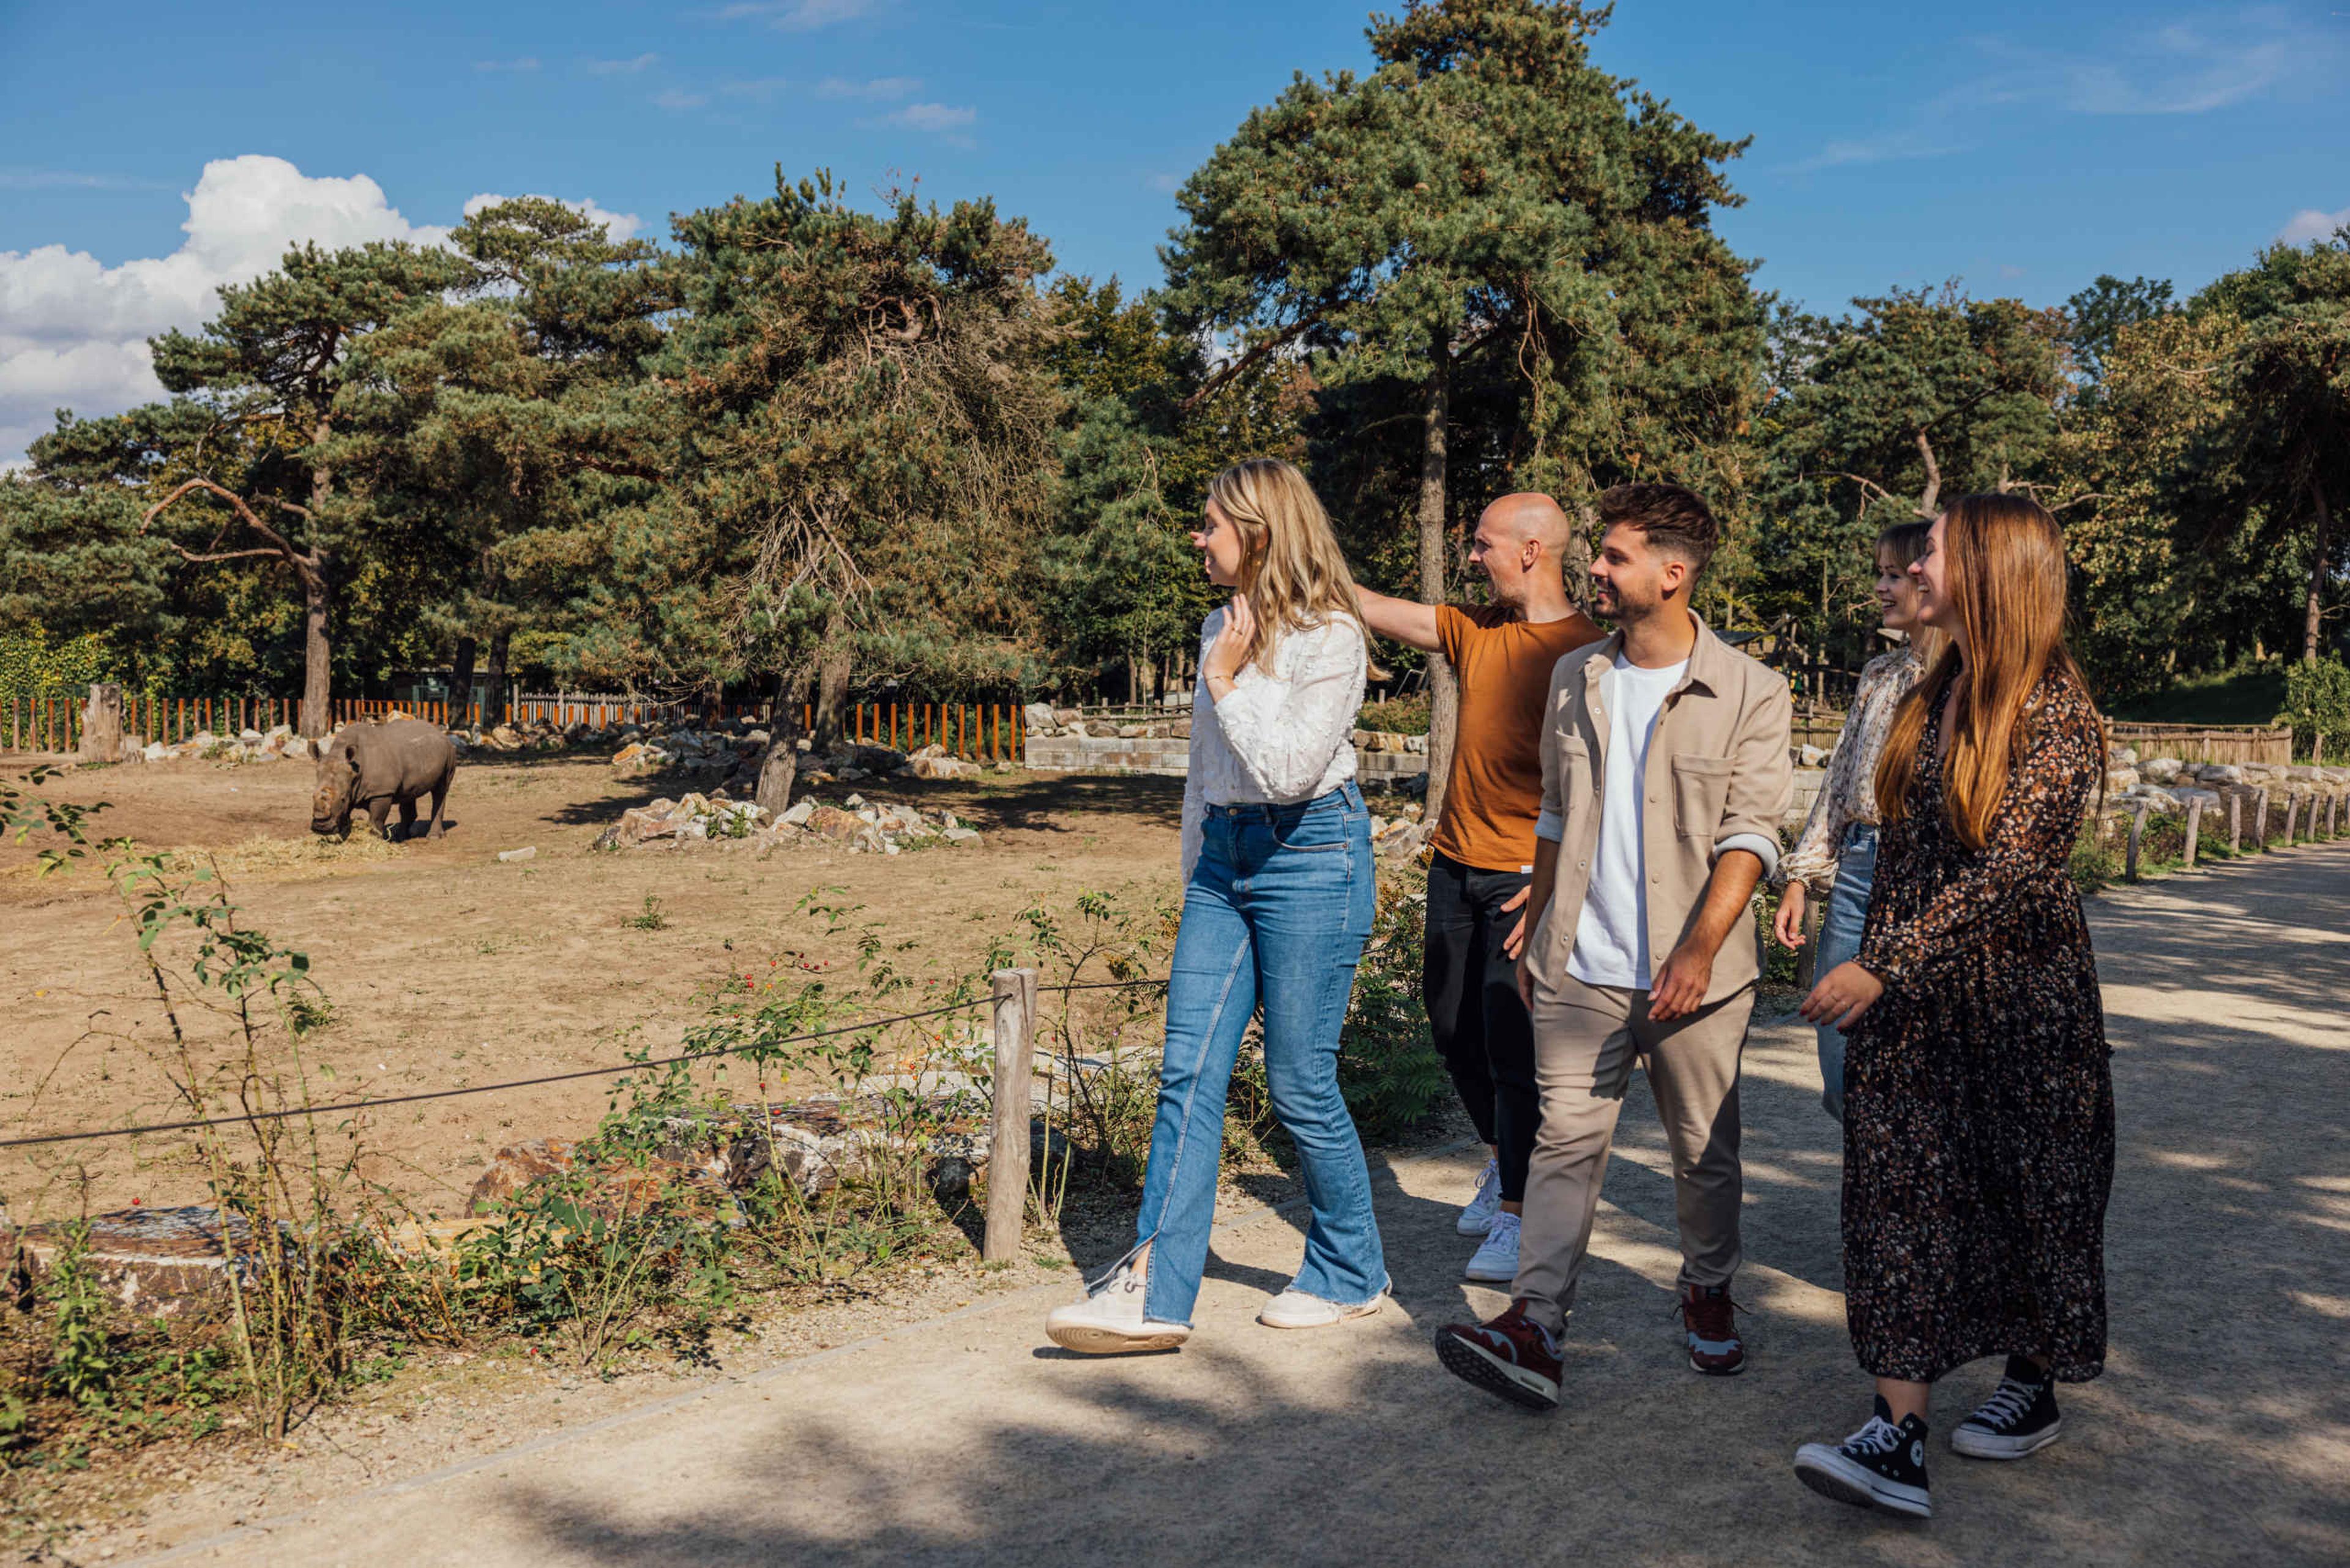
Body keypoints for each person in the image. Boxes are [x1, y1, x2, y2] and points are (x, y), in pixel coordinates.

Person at [1433, 482, 1792, 1408]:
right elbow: (1556, 812)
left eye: (1615, 556)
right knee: (1563, 1143)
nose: (1594, 567)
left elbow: (1752, 836)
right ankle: (1535, 1322)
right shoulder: (1576, 674)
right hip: (1580, 968)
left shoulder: (1753, 690)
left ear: (1672, 574)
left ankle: (1708, 1288)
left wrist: (1698, 951)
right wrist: (1541, 927)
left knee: (1703, 1154)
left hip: (1695, 977)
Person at [1790, 493, 2113, 1520]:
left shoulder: (2055, 709)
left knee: (2031, 1188)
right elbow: (1893, 843)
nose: (1914, 566)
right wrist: (1876, 954)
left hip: (2021, 1002)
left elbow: (2014, 870)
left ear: (1988, 567)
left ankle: (2033, 1377)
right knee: (1895, 1196)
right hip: (1913, 998)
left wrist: (1881, 963)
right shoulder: (1929, 689)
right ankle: (1898, 1433)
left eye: (1930, 551)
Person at [1046, 457, 1387, 1354]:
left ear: (1260, 535)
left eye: (1211, 524)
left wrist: (1229, 678)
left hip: (1312, 854)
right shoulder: (1215, 626)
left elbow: (1289, 770)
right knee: (1187, 1073)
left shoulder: (1331, 636)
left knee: (1300, 1082)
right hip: (1225, 858)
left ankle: (1351, 1269)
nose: (1197, 538)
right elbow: (1209, 770)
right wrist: (1198, 873)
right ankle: (1154, 1290)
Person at [1352, 496, 1602, 1285]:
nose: (1471, 556)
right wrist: (1290, 555)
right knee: (1452, 1026)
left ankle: (1521, 1213)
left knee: (1513, 1045)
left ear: (1530, 550)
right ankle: (1502, 1161)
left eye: (1483, 544)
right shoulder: (1476, 629)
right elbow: (1373, 607)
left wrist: (1562, 883)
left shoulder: (1592, 651)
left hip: (1527, 878)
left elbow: (1611, 785)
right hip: (1455, 864)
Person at [1772, 521, 1947, 1121]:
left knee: (1917, 1064)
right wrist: (1802, 876)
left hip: (1931, 878)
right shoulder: (1879, 675)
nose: (1881, 587)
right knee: (1840, 1057)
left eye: (1894, 574)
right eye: (1881, 574)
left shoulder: (1966, 684)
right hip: (1859, 870)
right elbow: (1839, 780)